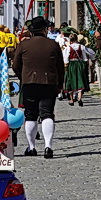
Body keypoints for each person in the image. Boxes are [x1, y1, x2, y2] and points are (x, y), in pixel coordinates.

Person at [11, 15, 63, 158]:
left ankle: (31, 147)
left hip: (29, 83)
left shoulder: (23, 45)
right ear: (45, 30)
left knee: (31, 115)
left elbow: (15, 65)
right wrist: (60, 84)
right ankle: (48, 146)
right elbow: (60, 67)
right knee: (47, 114)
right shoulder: (53, 45)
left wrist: (24, 76)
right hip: (49, 83)